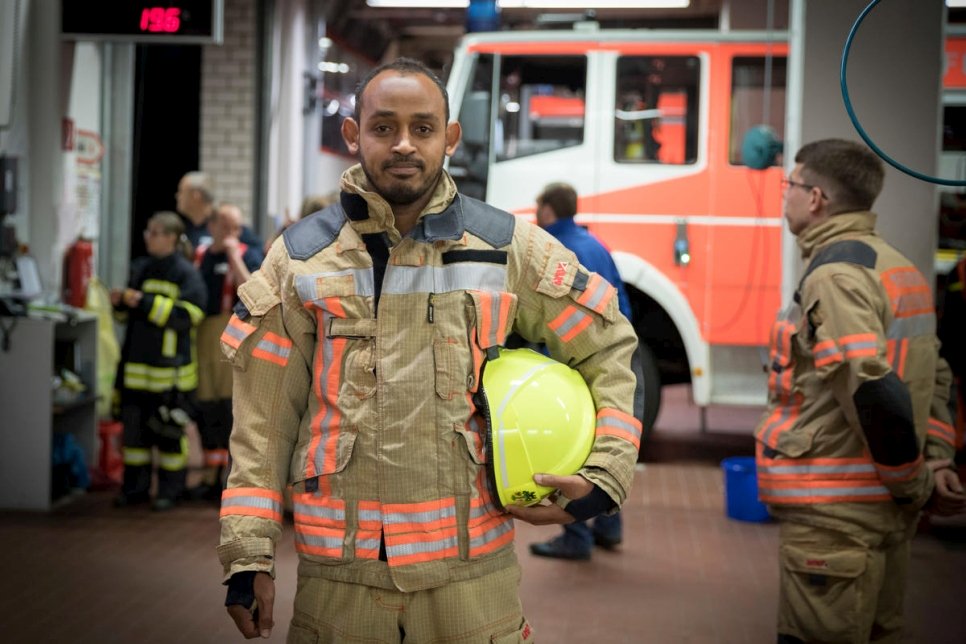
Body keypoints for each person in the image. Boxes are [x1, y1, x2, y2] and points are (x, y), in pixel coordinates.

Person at [217, 57, 643, 641]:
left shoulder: (506, 247)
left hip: (472, 588)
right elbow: (263, 423)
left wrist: (606, 471)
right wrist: (249, 555)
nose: (403, 145)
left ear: (449, 136)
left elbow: (608, 344)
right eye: (383, 127)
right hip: (340, 587)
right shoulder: (299, 261)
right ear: (352, 135)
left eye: (422, 128)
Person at [756, 139, 966, 643]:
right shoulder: (896, 266)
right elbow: (935, 377)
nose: (784, 194)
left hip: (836, 514)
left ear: (816, 199)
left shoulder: (836, 277)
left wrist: (911, 482)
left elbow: (870, 390)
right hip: (879, 516)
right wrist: (936, 460)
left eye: (791, 184)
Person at [528, 182, 633, 561]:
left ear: (547, 210)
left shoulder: (553, 250)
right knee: (603, 446)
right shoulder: (595, 243)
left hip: (571, 368)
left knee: (570, 451)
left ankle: (576, 539)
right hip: (607, 359)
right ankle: (608, 526)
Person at [111, 211, 207, 511]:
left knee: (168, 438)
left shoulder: (186, 273)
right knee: (134, 439)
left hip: (170, 373)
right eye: (148, 232)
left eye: (154, 232)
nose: (148, 238)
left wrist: (144, 301)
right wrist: (120, 305)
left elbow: (189, 316)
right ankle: (134, 489)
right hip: (136, 370)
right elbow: (126, 318)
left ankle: (170, 490)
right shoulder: (140, 268)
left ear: (170, 237)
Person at [186, 202, 262, 503]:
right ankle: (209, 472)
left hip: (233, 330)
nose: (234, 232)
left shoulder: (247, 254)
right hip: (203, 332)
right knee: (206, 404)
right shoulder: (200, 255)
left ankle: (229, 476)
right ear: (212, 226)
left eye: (237, 227)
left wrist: (233, 253)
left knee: (230, 405)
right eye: (227, 226)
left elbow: (251, 291)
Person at [175, 171, 263, 251]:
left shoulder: (226, 225)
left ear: (196, 195)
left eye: (181, 191)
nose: (177, 196)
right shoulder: (184, 229)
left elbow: (260, 253)